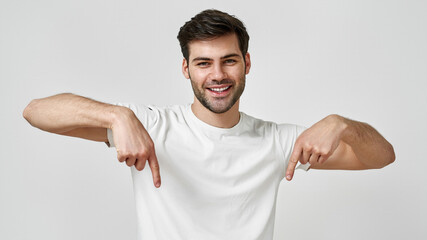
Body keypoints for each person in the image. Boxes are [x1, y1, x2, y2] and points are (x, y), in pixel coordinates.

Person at [23, 9, 395, 240]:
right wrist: (117, 116)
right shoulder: (151, 125)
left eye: (229, 60)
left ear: (247, 63)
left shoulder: (279, 141)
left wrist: (340, 124)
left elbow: (383, 156)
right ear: (186, 68)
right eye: (203, 63)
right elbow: (36, 111)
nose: (217, 75)